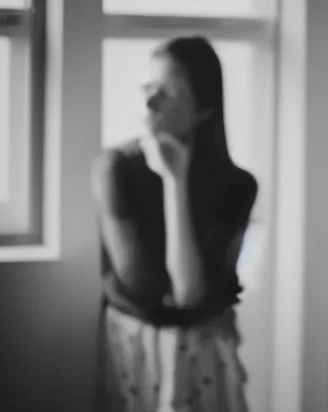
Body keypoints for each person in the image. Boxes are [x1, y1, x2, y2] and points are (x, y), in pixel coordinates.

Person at [90, 36, 258, 411]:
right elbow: (147, 291)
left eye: (168, 91)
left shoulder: (239, 186)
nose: (149, 101)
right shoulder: (114, 168)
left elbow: (188, 295)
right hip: (137, 349)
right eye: (147, 87)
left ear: (205, 108)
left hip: (206, 353)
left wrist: (174, 181)